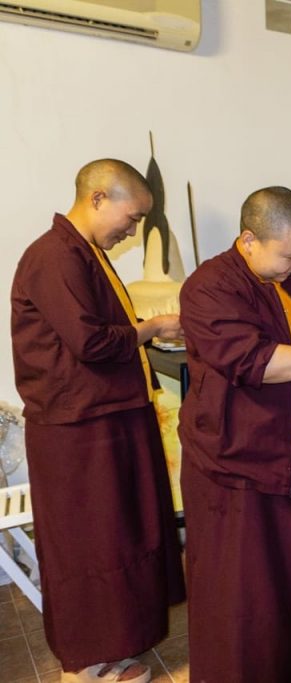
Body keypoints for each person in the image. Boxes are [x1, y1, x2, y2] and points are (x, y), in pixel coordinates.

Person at [11, 158, 186, 683]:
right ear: (98, 199)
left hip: (106, 416)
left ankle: (114, 646)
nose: (133, 231)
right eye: (132, 218)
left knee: (119, 538)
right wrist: (153, 326)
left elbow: (101, 330)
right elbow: (88, 341)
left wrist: (147, 328)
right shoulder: (53, 256)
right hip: (76, 427)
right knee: (88, 545)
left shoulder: (85, 253)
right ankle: (85, 662)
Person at [177, 186, 291, 683]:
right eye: (290, 255)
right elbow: (257, 362)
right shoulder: (210, 287)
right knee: (247, 595)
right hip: (243, 466)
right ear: (249, 241)